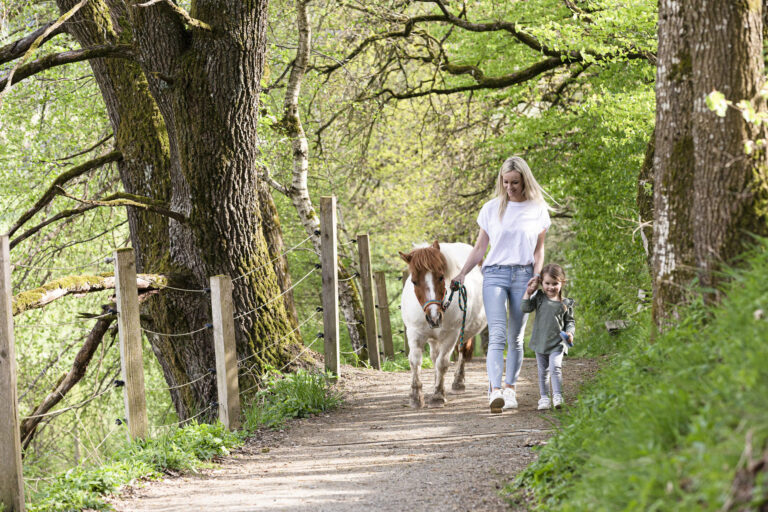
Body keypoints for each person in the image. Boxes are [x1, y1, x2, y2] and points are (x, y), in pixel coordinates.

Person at [452, 156, 551, 413]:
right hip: (494, 274)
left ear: (524, 180)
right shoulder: (491, 208)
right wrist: (463, 273)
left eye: (515, 182)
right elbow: (480, 248)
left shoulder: (537, 209)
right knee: (496, 334)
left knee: (515, 337)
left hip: (524, 276)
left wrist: (537, 276)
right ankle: (494, 390)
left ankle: (510, 388)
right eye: (505, 182)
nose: (510, 187)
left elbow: (539, 250)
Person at [521, 263, 575, 410]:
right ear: (542, 283)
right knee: (543, 371)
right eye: (547, 283)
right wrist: (528, 291)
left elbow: (570, 322)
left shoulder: (565, 303)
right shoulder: (539, 297)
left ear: (562, 283)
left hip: (557, 343)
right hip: (540, 342)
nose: (550, 287)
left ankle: (558, 395)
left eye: (555, 284)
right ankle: (544, 397)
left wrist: (570, 333)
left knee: (555, 367)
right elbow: (525, 308)